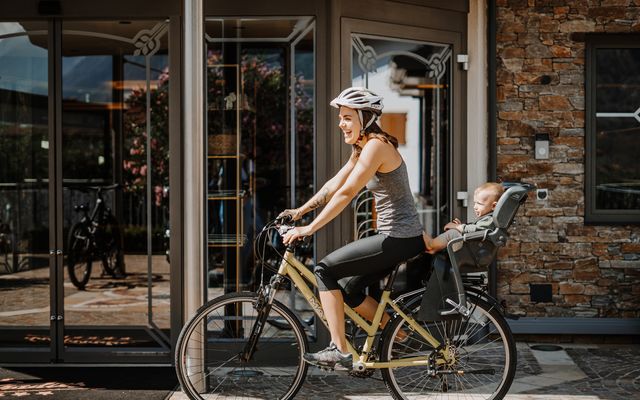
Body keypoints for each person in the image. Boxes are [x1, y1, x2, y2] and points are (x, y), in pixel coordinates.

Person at [280, 87, 425, 371]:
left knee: (324, 269)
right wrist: (300, 211)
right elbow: (334, 184)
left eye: (347, 117)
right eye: (341, 118)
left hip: (399, 236)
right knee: (347, 290)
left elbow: (346, 194)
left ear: (365, 117)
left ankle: (339, 350)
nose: (340, 124)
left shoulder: (377, 146)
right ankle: (403, 336)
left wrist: (309, 229)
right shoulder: (363, 146)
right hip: (396, 236)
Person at [423, 182, 504, 254]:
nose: (475, 207)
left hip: (472, 251)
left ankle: (431, 244)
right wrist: (461, 228)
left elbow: (476, 230)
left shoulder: (491, 220)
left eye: (479, 203)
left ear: (494, 206)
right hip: (472, 248)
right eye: (475, 203)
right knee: (454, 233)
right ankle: (434, 248)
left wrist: (459, 227)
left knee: (453, 233)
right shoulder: (488, 219)